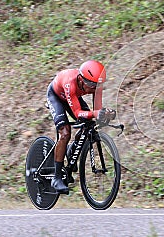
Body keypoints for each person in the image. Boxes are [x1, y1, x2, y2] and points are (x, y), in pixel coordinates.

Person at [46, 60, 114, 193]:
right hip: (56, 96)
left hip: (72, 98)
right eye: (91, 86)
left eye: (97, 86)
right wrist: (95, 113)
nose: (93, 89)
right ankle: (57, 177)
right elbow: (78, 113)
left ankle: (72, 149)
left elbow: (96, 110)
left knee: (88, 124)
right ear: (81, 80)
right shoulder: (70, 83)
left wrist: (104, 115)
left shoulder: (94, 85)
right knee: (65, 133)